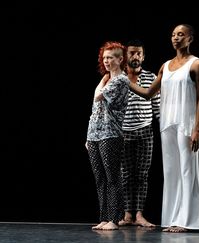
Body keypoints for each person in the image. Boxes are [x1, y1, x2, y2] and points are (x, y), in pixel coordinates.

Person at [128, 24, 199, 232]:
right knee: (171, 172)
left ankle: (187, 221)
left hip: (186, 123)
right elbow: (148, 93)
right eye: (173, 34)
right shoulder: (165, 66)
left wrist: (197, 128)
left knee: (188, 171)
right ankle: (172, 218)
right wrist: (124, 80)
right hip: (167, 124)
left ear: (190, 38)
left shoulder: (196, 65)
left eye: (181, 34)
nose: (176, 38)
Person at [86, 41, 129, 230]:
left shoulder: (121, 80)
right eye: (104, 58)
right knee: (100, 178)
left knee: (112, 177)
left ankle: (114, 218)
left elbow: (98, 96)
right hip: (95, 133)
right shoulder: (105, 79)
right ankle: (104, 217)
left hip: (111, 134)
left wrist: (103, 83)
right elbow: (94, 108)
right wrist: (88, 136)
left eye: (110, 57)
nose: (106, 61)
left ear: (120, 59)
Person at [118, 39, 159, 228]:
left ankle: (140, 214)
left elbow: (157, 106)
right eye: (132, 53)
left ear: (143, 56)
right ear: (125, 55)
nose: (135, 56)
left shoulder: (151, 77)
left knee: (142, 174)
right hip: (123, 133)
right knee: (126, 174)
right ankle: (127, 214)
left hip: (145, 131)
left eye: (139, 53)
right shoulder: (119, 78)